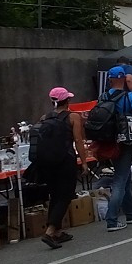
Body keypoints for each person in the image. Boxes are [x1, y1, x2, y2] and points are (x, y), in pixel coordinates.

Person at [36, 87, 91, 250]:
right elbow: (78, 141)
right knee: (65, 195)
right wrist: (85, 162)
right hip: (66, 161)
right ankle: (50, 230)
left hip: (48, 163)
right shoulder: (73, 117)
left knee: (55, 195)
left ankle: (58, 230)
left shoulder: (44, 118)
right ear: (67, 101)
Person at [102, 66, 132, 233]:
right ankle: (111, 219)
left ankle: (131, 213)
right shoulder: (130, 96)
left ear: (110, 79)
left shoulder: (103, 96)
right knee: (120, 180)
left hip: (109, 141)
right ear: (124, 79)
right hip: (126, 141)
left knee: (124, 176)